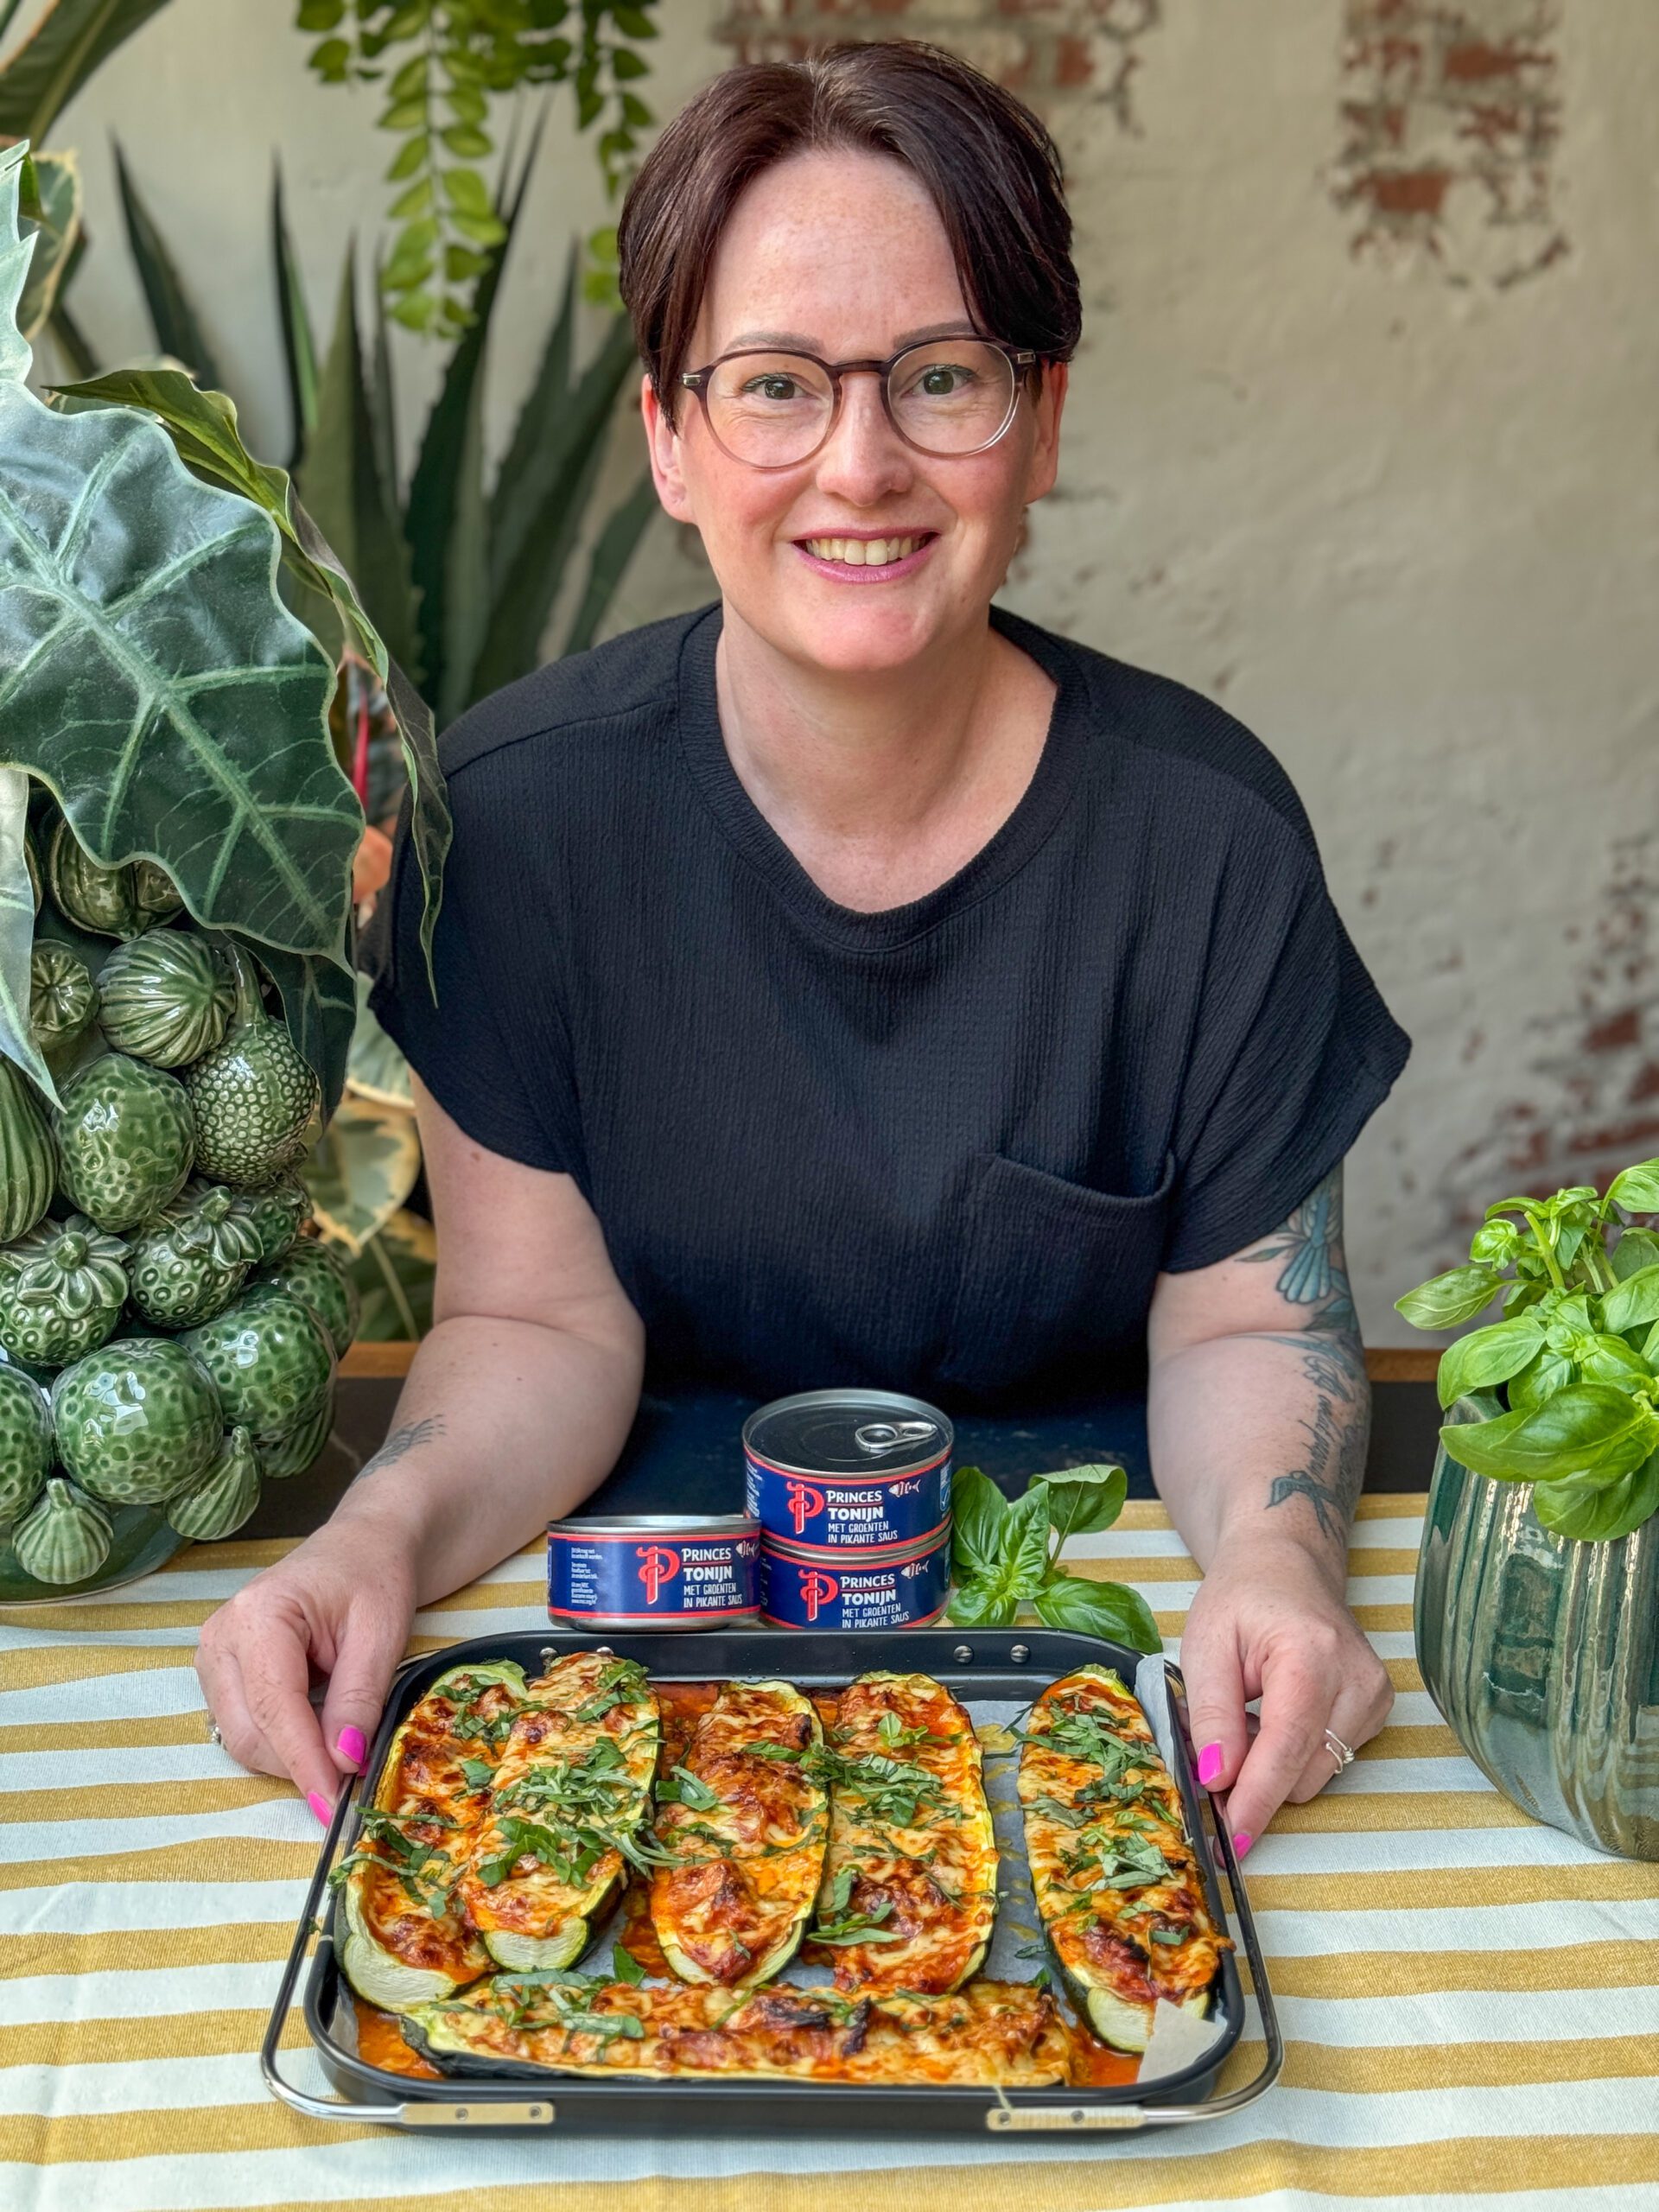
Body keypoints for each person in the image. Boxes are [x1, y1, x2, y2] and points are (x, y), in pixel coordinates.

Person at [198, 39, 1408, 1853]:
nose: (861, 464)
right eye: (774, 385)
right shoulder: (514, 828)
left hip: (1088, 1644)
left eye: (940, 377)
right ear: (670, 441)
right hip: (650, 1650)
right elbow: (534, 1315)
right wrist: (369, 1534)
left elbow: (1248, 1321)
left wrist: (1280, 1559)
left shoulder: (1204, 843)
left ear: (1043, 419)